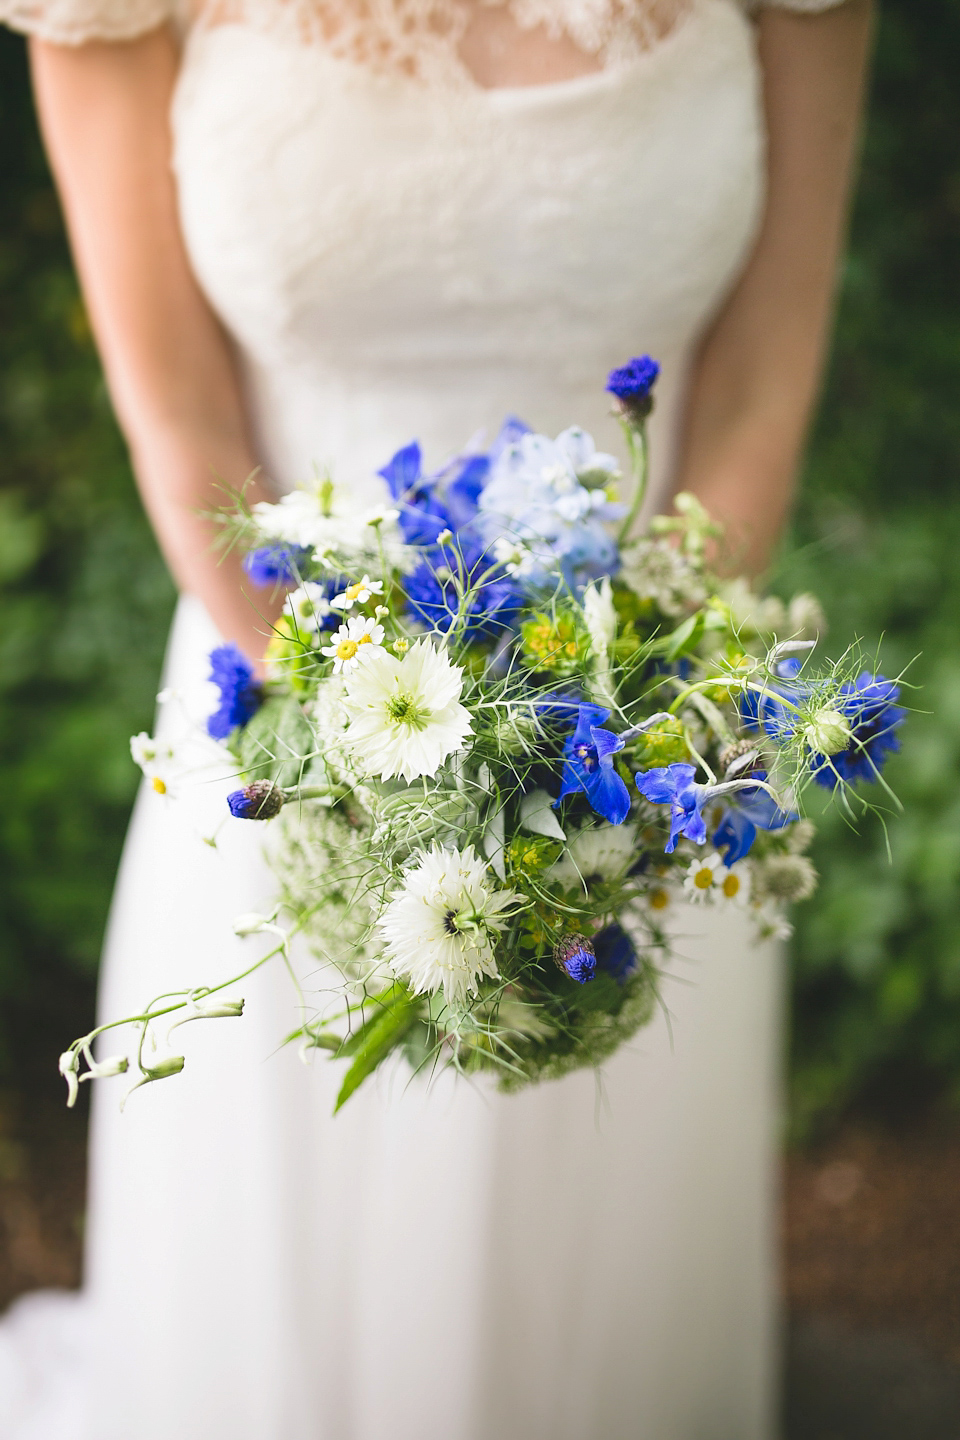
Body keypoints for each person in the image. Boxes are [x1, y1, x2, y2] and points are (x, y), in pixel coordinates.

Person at [0, 3, 872, 1436]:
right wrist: (358, 751)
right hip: (285, 712)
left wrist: (632, 718)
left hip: (634, 742)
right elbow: (181, 419)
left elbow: (764, 385)